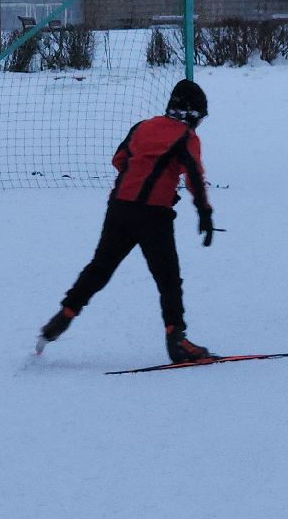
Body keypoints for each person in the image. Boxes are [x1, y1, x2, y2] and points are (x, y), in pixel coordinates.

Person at [39, 79, 218, 364]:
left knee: (100, 268)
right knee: (168, 278)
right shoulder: (186, 137)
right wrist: (204, 213)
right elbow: (194, 176)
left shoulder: (142, 127)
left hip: (119, 208)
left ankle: (64, 315)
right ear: (193, 114)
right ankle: (177, 340)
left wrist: (140, 179)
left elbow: (120, 159)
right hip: (153, 215)